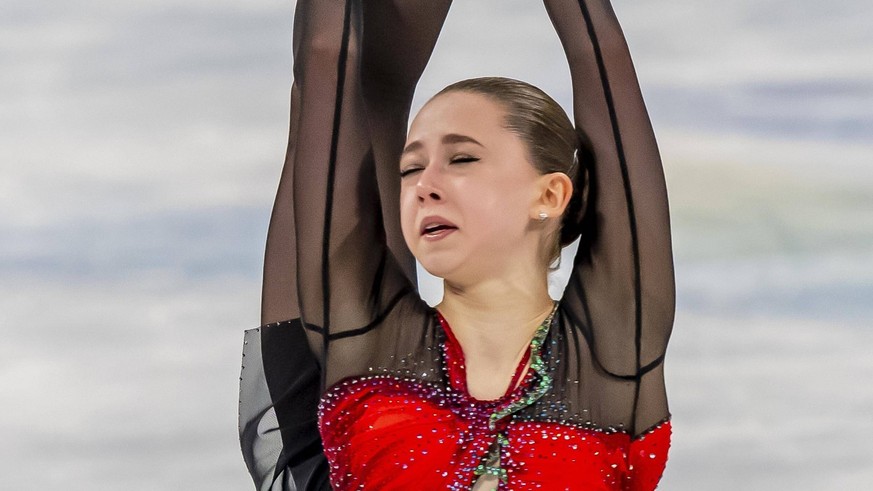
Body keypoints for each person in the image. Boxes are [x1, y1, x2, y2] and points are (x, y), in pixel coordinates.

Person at [239, 1, 674, 489]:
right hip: (358, 415)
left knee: (374, 95)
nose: (424, 187)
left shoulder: (606, 354)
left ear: (550, 195)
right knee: (365, 99)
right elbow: (325, 62)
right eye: (409, 170)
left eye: (463, 159)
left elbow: (600, 54)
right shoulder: (369, 341)